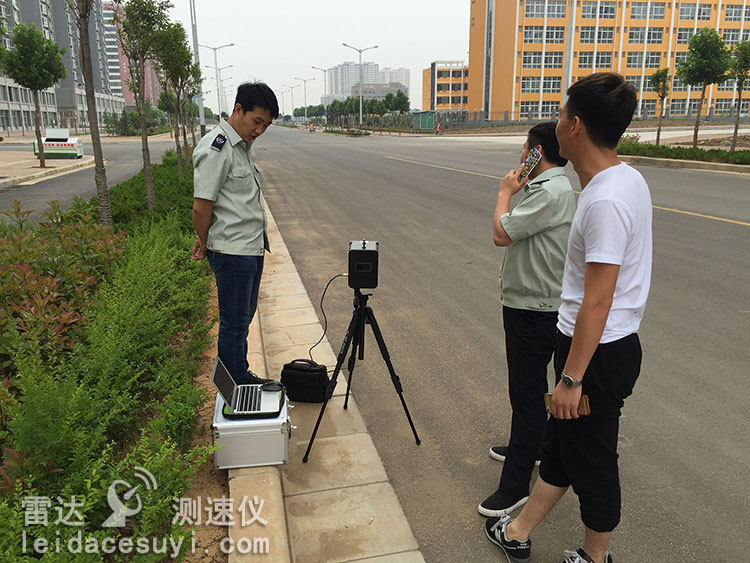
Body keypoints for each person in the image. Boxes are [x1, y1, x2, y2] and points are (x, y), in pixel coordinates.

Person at [485, 73, 652, 563]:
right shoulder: (625, 178)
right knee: (560, 449)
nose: (554, 123)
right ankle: (517, 531)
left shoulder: (603, 200)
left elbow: (598, 300)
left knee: (594, 461)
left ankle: (595, 557)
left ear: (575, 126)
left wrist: (572, 378)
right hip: (594, 345)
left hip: (596, 353)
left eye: (560, 114)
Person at [480, 122, 575, 518]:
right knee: (530, 388)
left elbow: (502, 233)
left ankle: (516, 485)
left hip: (533, 309)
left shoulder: (550, 192)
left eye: (525, 149)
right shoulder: (550, 190)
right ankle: (534, 447)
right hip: (534, 304)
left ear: (537, 152)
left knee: (526, 393)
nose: (521, 156)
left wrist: (505, 192)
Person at [191, 82, 280, 385]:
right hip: (232, 252)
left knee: (242, 321)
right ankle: (236, 384)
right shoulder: (217, 147)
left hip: (250, 249)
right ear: (238, 109)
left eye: (266, 125)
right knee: (233, 323)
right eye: (257, 121)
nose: (260, 130)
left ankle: (237, 376)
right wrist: (205, 242)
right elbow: (202, 206)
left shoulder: (242, 148)